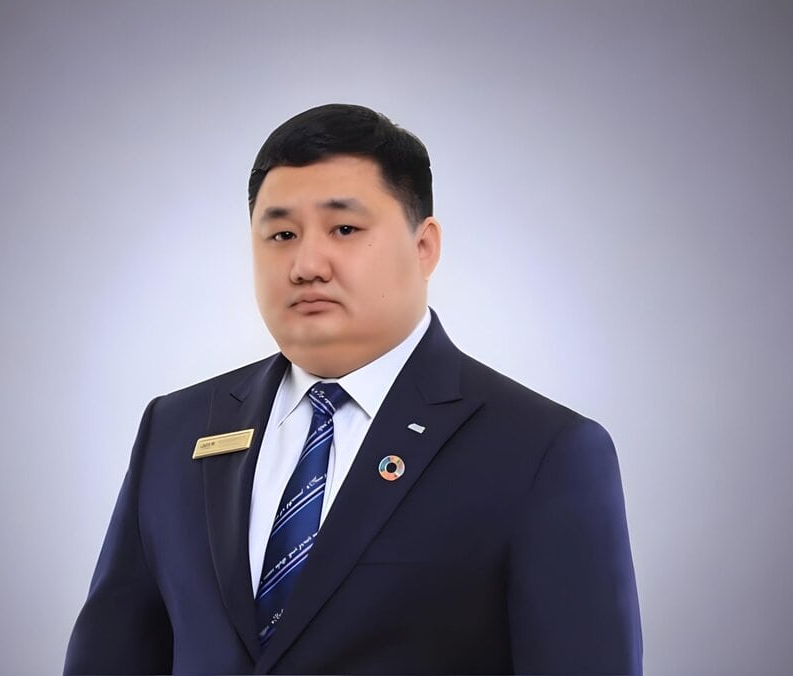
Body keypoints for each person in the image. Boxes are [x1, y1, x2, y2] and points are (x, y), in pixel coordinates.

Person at [64, 103, 642, 674]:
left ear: (424, 247)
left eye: (344, 228)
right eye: (282, 234)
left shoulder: (542, 451)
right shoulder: (178, 427)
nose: (307, 264)